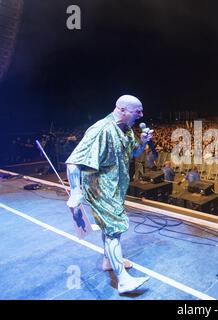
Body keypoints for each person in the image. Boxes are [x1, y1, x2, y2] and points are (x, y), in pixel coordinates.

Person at [65, 95, 151, 294]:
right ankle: (123, 280)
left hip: (116, 188)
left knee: (109, 228)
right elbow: (73, 161)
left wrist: (143, 142)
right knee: (114, 230)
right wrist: (75, 190)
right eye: (137, 111)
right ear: (122, 109)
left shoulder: (126, 129)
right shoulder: (101, 129)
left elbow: (134, 154)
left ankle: (108, 261)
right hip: (100, 188)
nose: (141, 115)